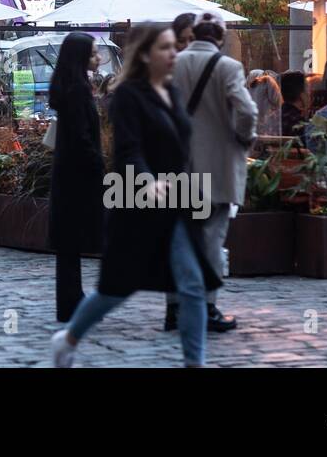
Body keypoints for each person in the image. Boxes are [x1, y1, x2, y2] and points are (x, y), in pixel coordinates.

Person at [52, 23, 220, 368]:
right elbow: (129, 150)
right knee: (117, 288)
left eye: (175, 46)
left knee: (191, 285)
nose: (174, 53)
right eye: (165, 48)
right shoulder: (128, 95)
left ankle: (194, 362)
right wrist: (147, 180)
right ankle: (68, 338)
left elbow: (181, 147)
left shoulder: (171, 92)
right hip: (139, 201)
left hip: (177, 201)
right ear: (144, 54)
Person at [165, 19, 257, 334]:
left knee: (179, 240)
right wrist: (244, 138)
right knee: (211, 240)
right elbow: (247, 111)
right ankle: (206, 306)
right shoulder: (228, 67)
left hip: (178, 165)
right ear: (220, 40)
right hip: (216, 168)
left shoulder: (173, 65)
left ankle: (175, 307)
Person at [47, 32, 105, 323]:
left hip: (69, 174)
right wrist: (98, 165)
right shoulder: (77, 90)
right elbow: (83, 137)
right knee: (72, 242)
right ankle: (72, 301)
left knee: (69, 245)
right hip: (78, 176)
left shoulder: (71, 86)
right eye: (94, 53)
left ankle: (71, 300)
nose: (98, 58)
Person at [247, 70, 282, 137]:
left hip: (255, 124)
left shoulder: (249, 85)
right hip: (269, 123)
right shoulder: (267, 81)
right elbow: (276, 100)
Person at [280, 71, 308, 136]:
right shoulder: (299, 123)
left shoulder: (274, 117)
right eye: (308, 89)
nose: (310, 94)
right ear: (302, 95)